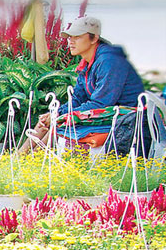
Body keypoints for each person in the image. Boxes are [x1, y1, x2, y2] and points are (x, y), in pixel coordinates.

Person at [25, 16, 146, 154]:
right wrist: (55, 113)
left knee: (60, 124)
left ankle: (35, 160)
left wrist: (60, 117)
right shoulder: (87, 64)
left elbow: (101, 103)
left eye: (77, 37)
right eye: (69, 37)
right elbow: (77, 99)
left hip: (126, 119)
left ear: (94, 38)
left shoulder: (109, 61)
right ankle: (19, 156)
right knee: (47, 120)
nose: (71, 41)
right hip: (104, 113)